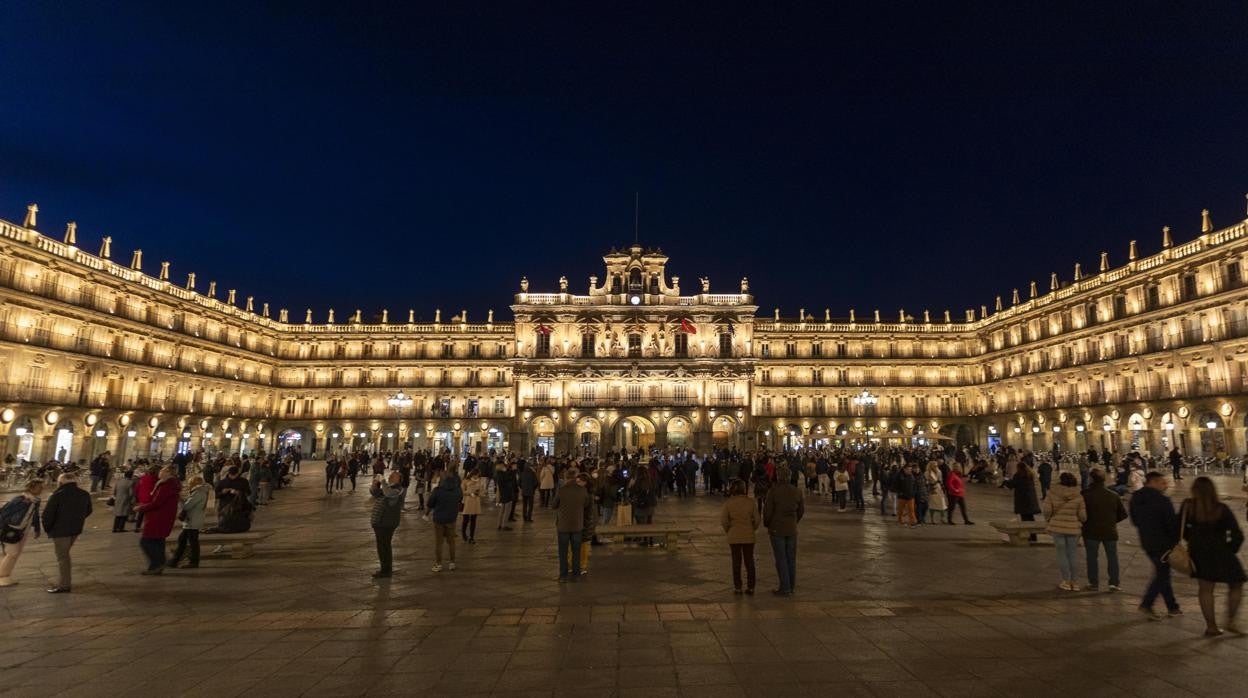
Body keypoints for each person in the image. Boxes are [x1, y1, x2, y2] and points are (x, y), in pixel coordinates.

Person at [1179, 476, 1245, 635]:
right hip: (1222, 551)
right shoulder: (1221, 508)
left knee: (1205, 589)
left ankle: (1211, 626)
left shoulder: (1188, 506)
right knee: (1237, 583)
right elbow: (1237, 533)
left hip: (1198, 552)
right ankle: (1231, 621)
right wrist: (1231, 549)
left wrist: (1192, 541)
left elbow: (1180, 529)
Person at [1130, 471, 1182, 620]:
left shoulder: (1136, 498)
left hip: (1146, 541)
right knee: (1162, 575)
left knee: (1162, 573)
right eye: (1162, 482)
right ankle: (1147, 604)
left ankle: (1173, 607)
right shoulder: (1162, 500)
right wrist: (1175, 541)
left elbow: (1135, 521)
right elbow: (1172, 525)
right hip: (1163, 544)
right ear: (1152, 482)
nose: (1165, 485)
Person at [41, 473, 93, 593]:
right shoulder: (84, 494)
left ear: (61, 482)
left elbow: (47, 515)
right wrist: (78, 520)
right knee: (64, 555)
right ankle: (64, 581)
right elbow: (89, 510)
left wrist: (48, 528)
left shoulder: (58, 495)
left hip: (60, 530)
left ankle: (64, 584)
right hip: (75, 529)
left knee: (63, 557)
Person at [1082, 468, 1126, 592]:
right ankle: (1114, 583)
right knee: (1112, 557)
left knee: (1091, 557)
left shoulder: (1085, 494)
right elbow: (1122, 514)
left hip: (1090, 531)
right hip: (1110, 530)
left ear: (1091, 479)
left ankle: (1093, 582)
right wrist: (1111, 521)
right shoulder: (1113, 495)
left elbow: (1081, 513)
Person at [763, 465, 804, 596]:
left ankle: (784, 587)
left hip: (777, 528)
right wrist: (794, 521)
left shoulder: (773, 491)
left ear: (778, 477)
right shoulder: (797, 491)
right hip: (791, 528)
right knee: (791, 559)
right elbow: (801, 511)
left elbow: (767, 512)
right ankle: (791, 586)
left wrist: (767, 524)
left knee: (781, 559)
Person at [1043, 472, 1087, 591]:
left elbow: (1046, 510)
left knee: (1062, 555)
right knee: (1072, 554)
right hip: (1073, 528)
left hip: (1057, 527)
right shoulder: (1079, 495)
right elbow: (1083, 516)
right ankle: (1075, 582)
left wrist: (1048, 519)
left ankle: (1066, 581)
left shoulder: (1052, 493)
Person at [135, 466, 181, 575]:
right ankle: (158, 565)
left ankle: (157, 563)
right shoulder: (170, 484)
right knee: (158, 540)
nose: (160, 472)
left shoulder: (166, 485)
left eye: (162, 470)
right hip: (164, 516)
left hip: (158, 517)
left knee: (146, 541)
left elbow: (157, 503)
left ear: (168, 472)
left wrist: (141, 508)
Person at [0, 480, 44, 587]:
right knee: (12, 553)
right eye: (40, 487)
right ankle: (1, 576)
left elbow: (35, 516)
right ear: (31, 488)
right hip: (12, 529)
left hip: (23, 530)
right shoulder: (20, 500)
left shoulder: (35, 501)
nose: (42, 489)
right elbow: (3, 512)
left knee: (15, 553)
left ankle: (6, 575)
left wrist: (37, 529)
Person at [720, 479, 759, 594]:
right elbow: (757, 519)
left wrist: (730, 530)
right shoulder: (750, 502)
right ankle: (751, 586)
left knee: (736, 562)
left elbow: (724, 520)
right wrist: (752, 528)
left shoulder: (728, 503)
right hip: (748, 536)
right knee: (749, 562)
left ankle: (738, 587)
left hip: (734, 536)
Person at [552, 470, 591, 582]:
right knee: (576, 551)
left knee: (563, 551)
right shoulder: (582, 490)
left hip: (563, 525)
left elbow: (554, 505)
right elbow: (586, 504)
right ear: (575, 478)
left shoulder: (562, 490)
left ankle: (563, 575)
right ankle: (576, 574)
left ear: (566, 478)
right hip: (577, 525)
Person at [369, 470, 406, 579]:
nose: (390, 476)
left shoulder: (398, 490)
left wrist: (383, 481)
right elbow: (374, 493)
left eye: (393, 475)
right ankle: (385, 569)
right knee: (382, 546)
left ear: (398, 479)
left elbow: (388, 493)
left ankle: (386, 571)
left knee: (384, 547)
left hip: (386, 522)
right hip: (380, 522)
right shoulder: (389, 487)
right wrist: (375, 482)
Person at [169, 475, 208, 569]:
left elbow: (187, 506)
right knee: (183, 540)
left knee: (191, 541)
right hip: (192, 520)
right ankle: (176, 560)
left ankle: (192, 561)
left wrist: (180, 499)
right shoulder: (200, 492)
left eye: (189, 483)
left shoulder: (198, 493)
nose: (188, 485)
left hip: (192, 521)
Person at [426, 472, 461, 572]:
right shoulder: (457, 490)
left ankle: (438, 563)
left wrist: (427, 513)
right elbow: (460, 499)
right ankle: (452, 562)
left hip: (439, 519)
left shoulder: (437, 491)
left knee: (439, 542)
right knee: (451, 542)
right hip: (451, 518)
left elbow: (430, 503)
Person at [1005, 462, 1042, 541]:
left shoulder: (1019, 475)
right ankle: (1033, 536)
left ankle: (1028, 536)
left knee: (1025, 519)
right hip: (1031, 500)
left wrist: (1006, 481)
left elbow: (1012, 485)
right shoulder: (1029, 475)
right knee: (1031, 519)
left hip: (1023, 500)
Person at [460, 468, 483, 543]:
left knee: (473, 520)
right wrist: (470, 493)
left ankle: (471, 537)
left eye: (478, 475)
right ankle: (464, 534)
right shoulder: (465, 481)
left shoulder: (479, 481)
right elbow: (462, 491)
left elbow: (482, 491)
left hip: (475, 502)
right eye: (476, 475)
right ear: (472, 474)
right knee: (465, 520)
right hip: (467, 502)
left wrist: (479, 493)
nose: (477, 476)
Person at [496, 462, 517, 531]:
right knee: (507, 510)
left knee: (502, 510)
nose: (504, 467)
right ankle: (503, 525)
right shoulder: (502, 474)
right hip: (507, 493)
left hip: (503, 494)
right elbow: (508, 480)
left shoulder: (499, 474)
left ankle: (499, 525)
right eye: (503, 466)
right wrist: (513, 472)